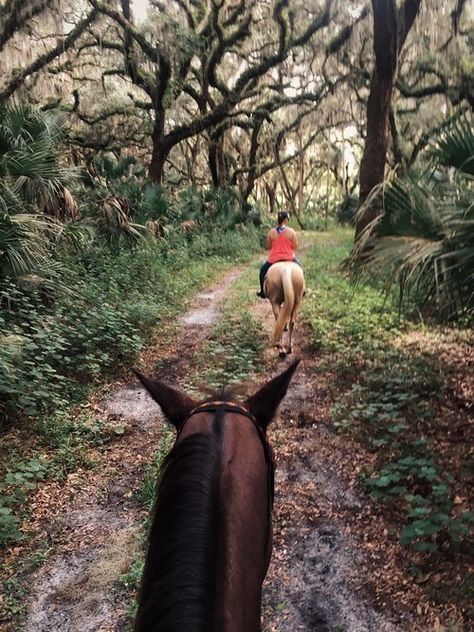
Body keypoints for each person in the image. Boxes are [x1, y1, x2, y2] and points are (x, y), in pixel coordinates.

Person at [257, 210, 301, 298]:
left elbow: (268, 247)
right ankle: (302, 290)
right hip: (289, 258)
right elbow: (295, 247)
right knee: (300, 269)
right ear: (285, 220)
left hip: (274, 259)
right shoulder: (291, 232)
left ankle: (262, 291)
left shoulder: (271, 232)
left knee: (262, 271)